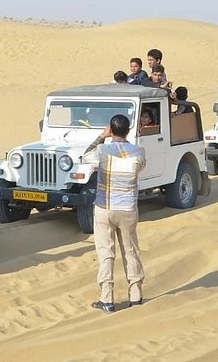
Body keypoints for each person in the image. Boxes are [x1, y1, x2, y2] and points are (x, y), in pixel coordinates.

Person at [82, 115, 146, 313]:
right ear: (128, 130)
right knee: (131, 251)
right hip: (127, 209)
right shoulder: (138, 151)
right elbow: (141, 168)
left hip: (105, 208)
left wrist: (102, 136)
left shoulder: (102, 150)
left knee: (106, 253)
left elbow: (86, 155)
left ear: (111, 129)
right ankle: (135, 295)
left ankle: (107, 298)